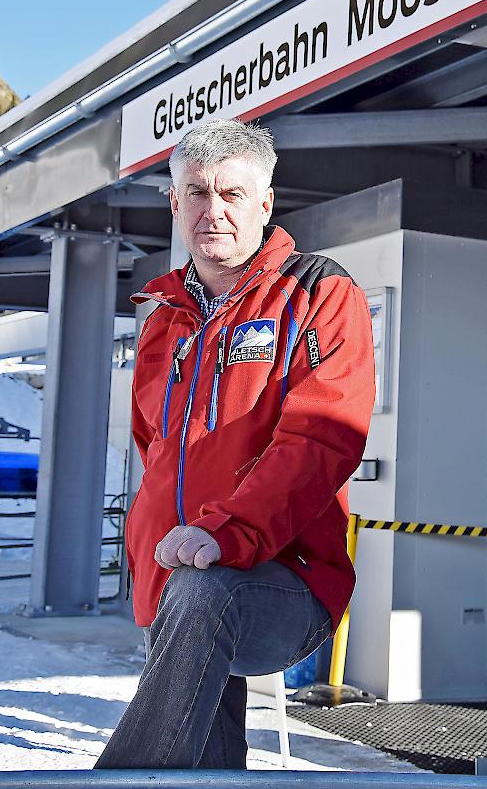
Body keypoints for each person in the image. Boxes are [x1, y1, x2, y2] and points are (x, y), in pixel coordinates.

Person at [95, 118, 375, 769]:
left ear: (265, 203)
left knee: (204, 595)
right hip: (179, 578)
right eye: (196, 192)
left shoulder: (317, 293)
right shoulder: (163, 317)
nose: (212, 210)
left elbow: (320, 440)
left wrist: (228, 531)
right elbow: (154, 447)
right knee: (205, 764)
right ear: (173, 201)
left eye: (232, 194)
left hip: (282, 581)